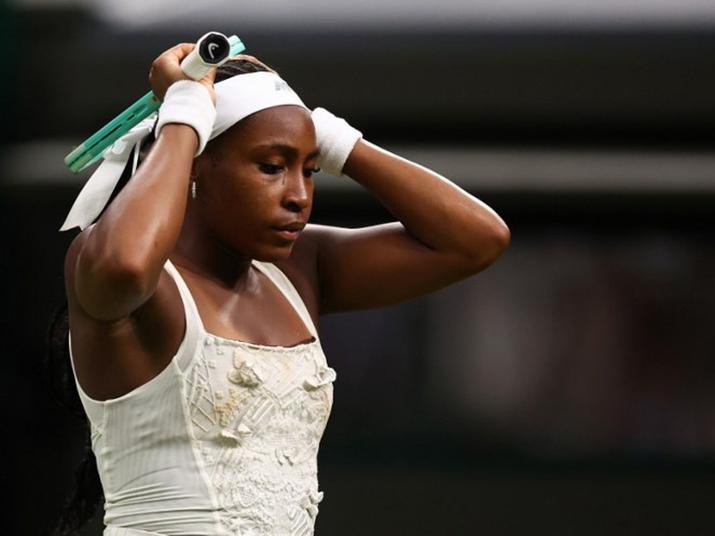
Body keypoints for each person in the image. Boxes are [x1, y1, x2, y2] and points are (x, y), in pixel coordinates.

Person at [48, 42, 509, 535]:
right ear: (196, 165)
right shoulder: (127, 272)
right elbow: (123, 265)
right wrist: (184, 112)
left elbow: (477, 240)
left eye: (309, 171)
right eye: (272, 166)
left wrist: (332, 139)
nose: (299, 196)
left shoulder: (297, 272)